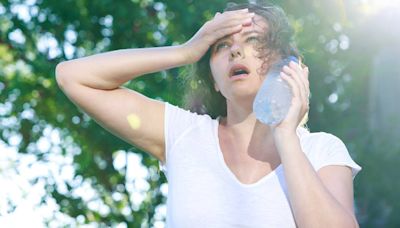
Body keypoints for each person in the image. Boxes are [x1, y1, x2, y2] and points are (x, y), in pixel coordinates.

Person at [55, 2, 362, 227]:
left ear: (287, 63)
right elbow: (73, 77)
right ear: (214, 80)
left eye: (253, 40)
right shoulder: (182, 134)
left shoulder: (322, 150)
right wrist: (187, 51)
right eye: (221, 45)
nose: (235, 51)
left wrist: (285, 136)